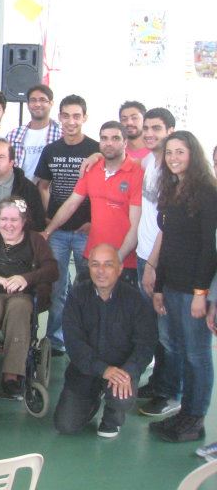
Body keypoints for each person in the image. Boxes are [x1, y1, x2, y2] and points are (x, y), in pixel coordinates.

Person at [148, 131, 217, 442]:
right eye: (169, 152)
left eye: (180, 152)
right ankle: (185, 412)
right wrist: (159, 288)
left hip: (193, 291)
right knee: (179, 349)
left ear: (193, 155)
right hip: (172, 287)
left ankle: (195, 418)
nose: (173, 158)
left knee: (196, 355)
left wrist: (201, 293)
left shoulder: (207, 193)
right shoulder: (172, 190)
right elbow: (168, 244)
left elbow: (208, 249)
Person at [53, 243, 156, 438]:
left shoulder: (135, 300)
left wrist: (128, 372)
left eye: (108, 264)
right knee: (65, 425)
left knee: (121, 397)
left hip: (121, 371)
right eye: (95, 264)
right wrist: (103, 369)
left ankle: (113, 417)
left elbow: (145, 345)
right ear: (88, 267)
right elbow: (74, 343)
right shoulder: (77, 296)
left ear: (120, 268)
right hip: (85, 370)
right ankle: (92, 399)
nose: (101, 271)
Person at [0, 197, 57, 397]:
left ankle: (12, 375)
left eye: (14, 220)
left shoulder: (36, 240)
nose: (8, 224)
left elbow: (52, 269)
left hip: (21, 294)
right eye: (4, 219)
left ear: (24, 221)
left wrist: (27, 278)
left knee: (19, 308)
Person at [35, 94, 99, 355]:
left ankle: (88, 339)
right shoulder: (51, 150)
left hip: (87, 232)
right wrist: (48, 215)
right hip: (58, 232)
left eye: (76, 116)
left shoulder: (96, 150)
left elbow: (104, 191)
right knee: (57, 287)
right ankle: (55, 339)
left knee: (89, 287)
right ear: (59, 117)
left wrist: (94, 220)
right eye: (66, 115)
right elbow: (43, 185)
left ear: (84, 118)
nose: (71, 121)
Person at [42, 121, 142, 285]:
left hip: (125, 261)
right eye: (104, 138)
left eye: (115, 138)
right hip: (92, 256)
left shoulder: (137, 172)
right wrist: (47, 232)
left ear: (125, 142)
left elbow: (136, 226)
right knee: (81, 298)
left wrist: (117, 259)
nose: (109, 143)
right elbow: (71, 204)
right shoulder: (92, 168)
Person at [133, 108, 178, 418]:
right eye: (146, 127)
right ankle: (159, 382)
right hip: (143, 255)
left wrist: (152, 264)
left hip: (159, 260)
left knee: (167, 332)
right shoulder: (150, 161)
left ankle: (171, 392)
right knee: (153, 327)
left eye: (156, 128)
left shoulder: (173, 171)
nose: (149, 133)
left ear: (170, 131)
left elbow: (167, 225)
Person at [5, 83, 62, 182]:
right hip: (20, 189)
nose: (37, 104)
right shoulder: (13, 136)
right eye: (33, 100)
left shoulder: (61, 134)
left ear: (51, 103)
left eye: (42, 100)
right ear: (27, 104)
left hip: (50, 190)